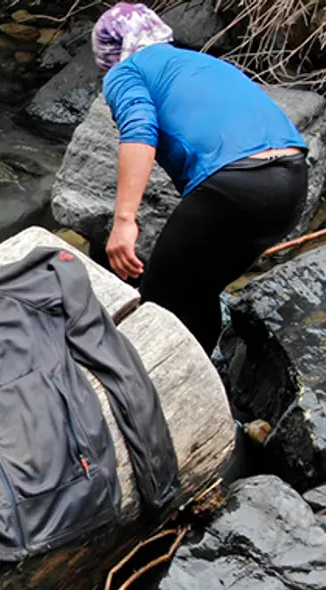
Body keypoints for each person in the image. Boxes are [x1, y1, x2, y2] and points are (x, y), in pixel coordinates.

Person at [90, 2, 308, 355]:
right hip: (292, 183)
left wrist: (124, 220)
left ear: (110, 55)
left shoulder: (125, 71)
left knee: (159, 299)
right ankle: (206, 380)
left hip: (236, 185)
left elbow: (139, 131)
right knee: (197, 290)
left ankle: (155, 391)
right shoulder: (203, 63)